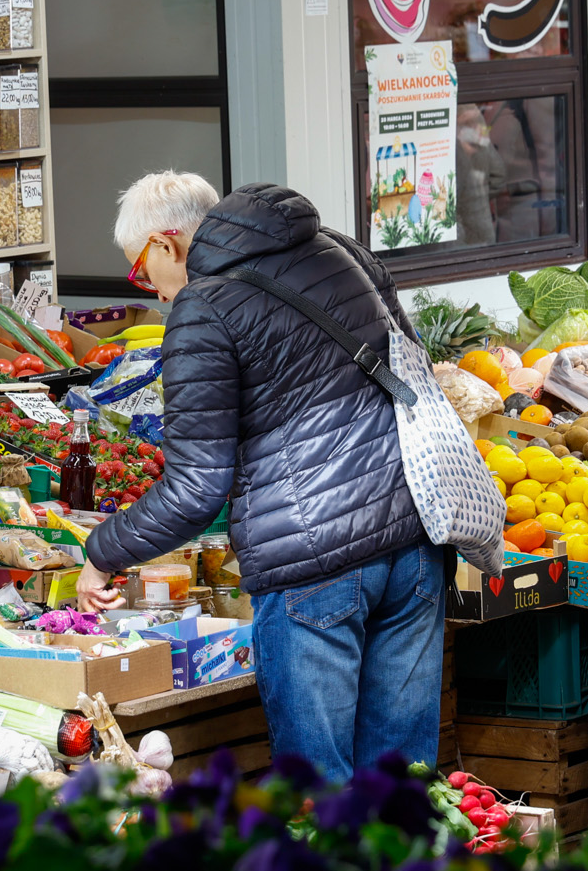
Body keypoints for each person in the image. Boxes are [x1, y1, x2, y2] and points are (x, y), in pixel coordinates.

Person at [76, 171, 441, 781]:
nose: (154, 293)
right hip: (415, 533)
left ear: (168, 244)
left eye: (142, 272)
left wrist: (102, 552)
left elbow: (197, 486)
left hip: (314, 560)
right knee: (405, 783)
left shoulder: (202, 306)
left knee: (319, 792)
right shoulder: (336, 248)